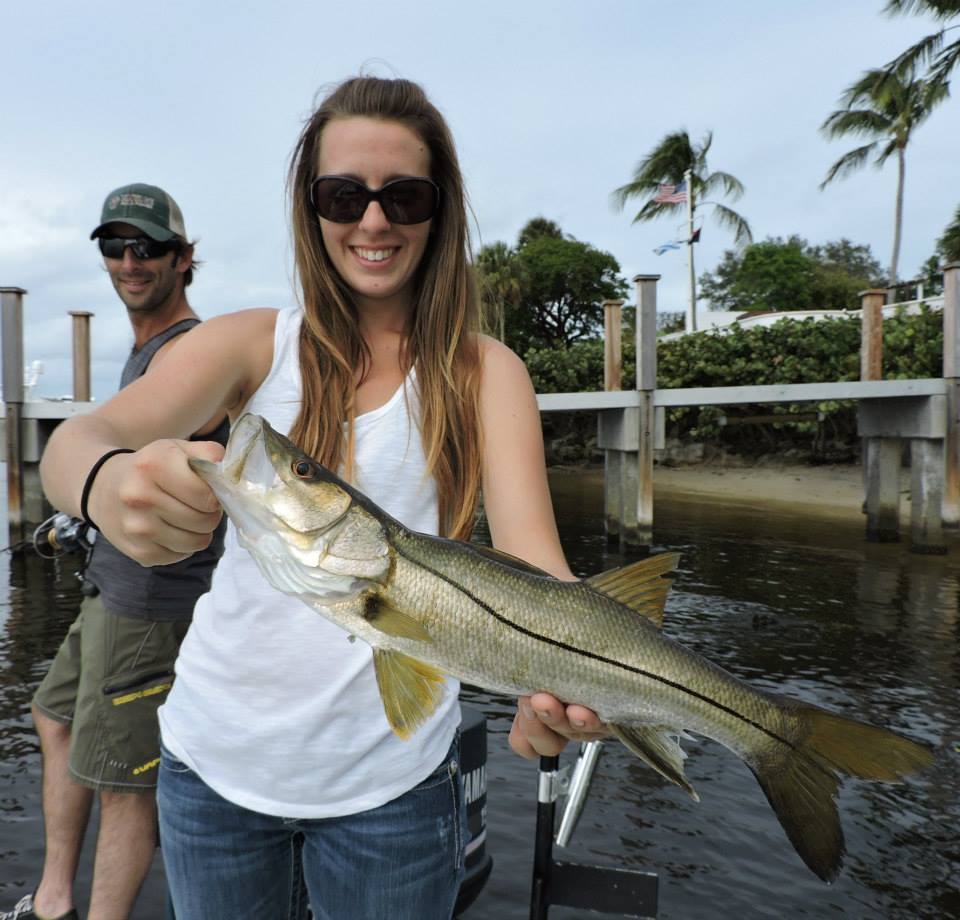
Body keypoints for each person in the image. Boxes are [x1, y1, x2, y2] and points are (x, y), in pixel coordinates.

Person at [38, 78, 606, 920]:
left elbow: (536, 571)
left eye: (403, 196)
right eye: (343, 194)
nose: (373, 221)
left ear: (440, 211)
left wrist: (562, 683)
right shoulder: (249, 345)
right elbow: (75, 442)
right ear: (311, 209)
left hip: (401, 789)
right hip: (210, 770)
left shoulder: (489, 373)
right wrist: (108, 485)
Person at [3, 185, 229, 920]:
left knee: (126, 782)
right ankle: (55, 899)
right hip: (110, 586)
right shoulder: (143, 353)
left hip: (153, 603)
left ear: (183, 258)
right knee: (52, 714)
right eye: (115, 246)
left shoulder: (193, 352)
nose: (130, 261)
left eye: (149, 247)